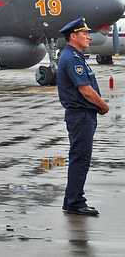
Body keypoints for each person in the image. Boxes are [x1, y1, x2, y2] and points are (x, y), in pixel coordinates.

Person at [56, 17, 110, 216]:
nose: (88, 36)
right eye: (84, 33)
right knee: (80, 159)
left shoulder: (75, 57)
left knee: (79, 158)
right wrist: (103, 105)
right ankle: (75, 202)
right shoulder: (72, 58)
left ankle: (70, 199)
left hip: (83, 115)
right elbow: (85, 90)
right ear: (73, 36)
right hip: (81, 116)